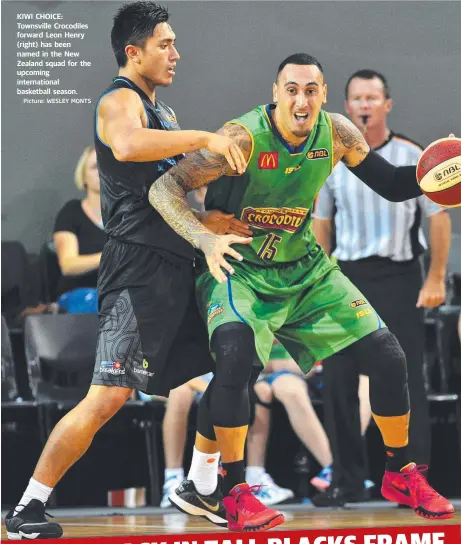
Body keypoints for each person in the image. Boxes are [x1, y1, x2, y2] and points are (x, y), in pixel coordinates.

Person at [149, 53, 455, 530]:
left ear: (324, 96)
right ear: (275, 93)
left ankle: (401, 470)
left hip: (305, 269)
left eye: (311, 90)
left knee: (388, 356)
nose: (301, 99)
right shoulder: (242, 138)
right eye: (291, 89)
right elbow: (165, 190)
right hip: (241, 269)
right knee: (236, 360)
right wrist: (204, 235)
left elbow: (394, 185)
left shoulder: (336, 133)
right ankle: (231, 490)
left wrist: (445, 169)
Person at [5, 2, 250, 540]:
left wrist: (212, 219)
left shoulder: (164, 114)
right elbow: (127, 145)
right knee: (107, 397)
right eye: (166, 44)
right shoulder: (120, 102)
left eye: (176, 43)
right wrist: (208, 138)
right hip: (137, 271)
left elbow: (168, 197)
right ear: (133, 51)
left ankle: (200, 484)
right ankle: (27, 508)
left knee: (235, 363)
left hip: (177, 264)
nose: (176, 54)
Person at [311, 69, 452, 506]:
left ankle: (412, 479)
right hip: (345, 278)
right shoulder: (329, 160)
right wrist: (316, 286)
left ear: (386, 105)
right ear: (347, 107)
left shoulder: (415, 155)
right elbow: (321, 227)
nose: (365, 104)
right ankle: (347, 480)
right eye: (357, 98)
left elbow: (439, 218)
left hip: (401, 277)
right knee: (337, 380)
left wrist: (435, 278)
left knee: (405, 378)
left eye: (373, 97)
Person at [53, 146, 106, 298]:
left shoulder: (127, 214)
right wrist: (109, 257)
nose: (102, 171)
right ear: (83, 177)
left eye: (107, 165)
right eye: (95, 167)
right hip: (81, 292)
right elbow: (68, 265)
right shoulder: (72, 212)